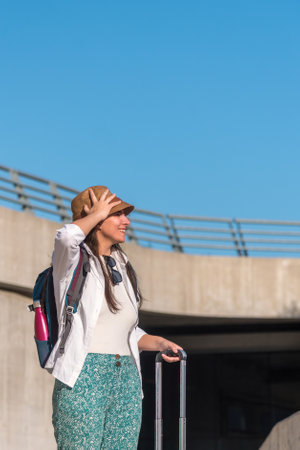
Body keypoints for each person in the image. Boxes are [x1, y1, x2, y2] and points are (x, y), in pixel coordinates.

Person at [45, 185, 182, 449]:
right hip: (84, 376)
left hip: (126, 378)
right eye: (116, 214)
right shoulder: (72, 262)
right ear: (95, 217)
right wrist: (96, 214)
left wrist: (159, 343)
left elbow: (124, 329)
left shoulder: (122, 263)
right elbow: (66, 237)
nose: (126, 221)